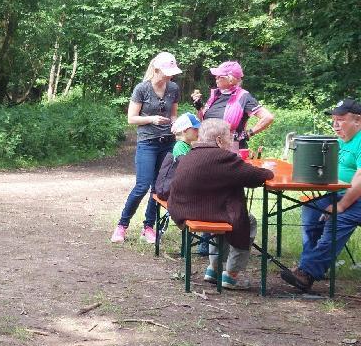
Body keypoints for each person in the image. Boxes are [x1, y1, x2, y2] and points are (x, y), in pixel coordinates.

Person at [168, 119, 274, 290]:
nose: (231, 141)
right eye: (229, 137)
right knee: (246, 220)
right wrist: (270, 170)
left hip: (182, 210)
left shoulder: (190, 154)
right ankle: (232, 274)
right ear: (218, 140)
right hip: (203, 211)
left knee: (223, 217)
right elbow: (257, 176)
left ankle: (214, 269)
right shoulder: (224, 158)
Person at [191, 60, 275, 255]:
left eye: (220, 76)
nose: (216, 79)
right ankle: (207, 243)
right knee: (209, 192)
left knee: (229, 194)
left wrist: (248, 133)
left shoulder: (244, 97)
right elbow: (205, 120)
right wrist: (199, 107)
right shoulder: (215, 95)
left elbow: (268, 117)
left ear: (231, 79)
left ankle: (228, 242)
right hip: (209, 149)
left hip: (231, 150)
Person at [280, 99, 361, 292]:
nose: (335, 124)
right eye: (333, 119)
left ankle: (306, 273)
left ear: (357, 120)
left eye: (341, 119)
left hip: (356, 198)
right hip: (337, 193)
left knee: (337, 221)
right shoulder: (340, 140)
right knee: (311, 209)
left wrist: (340, 206)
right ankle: (308, 268)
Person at [111, 51, 181, 244]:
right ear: (157, 69)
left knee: (158, 188)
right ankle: (121, 226)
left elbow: (173, 114)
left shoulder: (174, 88)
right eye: (167, 71)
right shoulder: (142, 88)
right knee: (142, 185)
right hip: (147, 143)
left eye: (172, 72)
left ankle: (148, 227)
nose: (170, 75)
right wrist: (151, 119)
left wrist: (177, 124)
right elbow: (131, 118)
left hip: (168, 143)